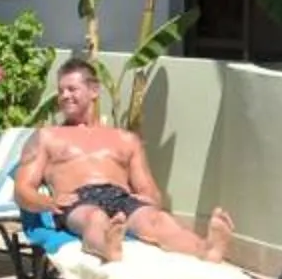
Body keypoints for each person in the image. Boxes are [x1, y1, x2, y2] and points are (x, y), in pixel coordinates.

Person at [12, 64, 234, 264]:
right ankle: (107, 245)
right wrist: (48, 202)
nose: (64, 96)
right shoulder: (46, 136)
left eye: (72, 89)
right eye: (61, 91)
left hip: (120, 197)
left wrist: (150, 199)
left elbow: (149, 190)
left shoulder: (125, 139)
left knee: (159, 220)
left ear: (94, 91)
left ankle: (205, 249)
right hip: (78, 200)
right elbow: (22, 190)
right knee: (94, 218)